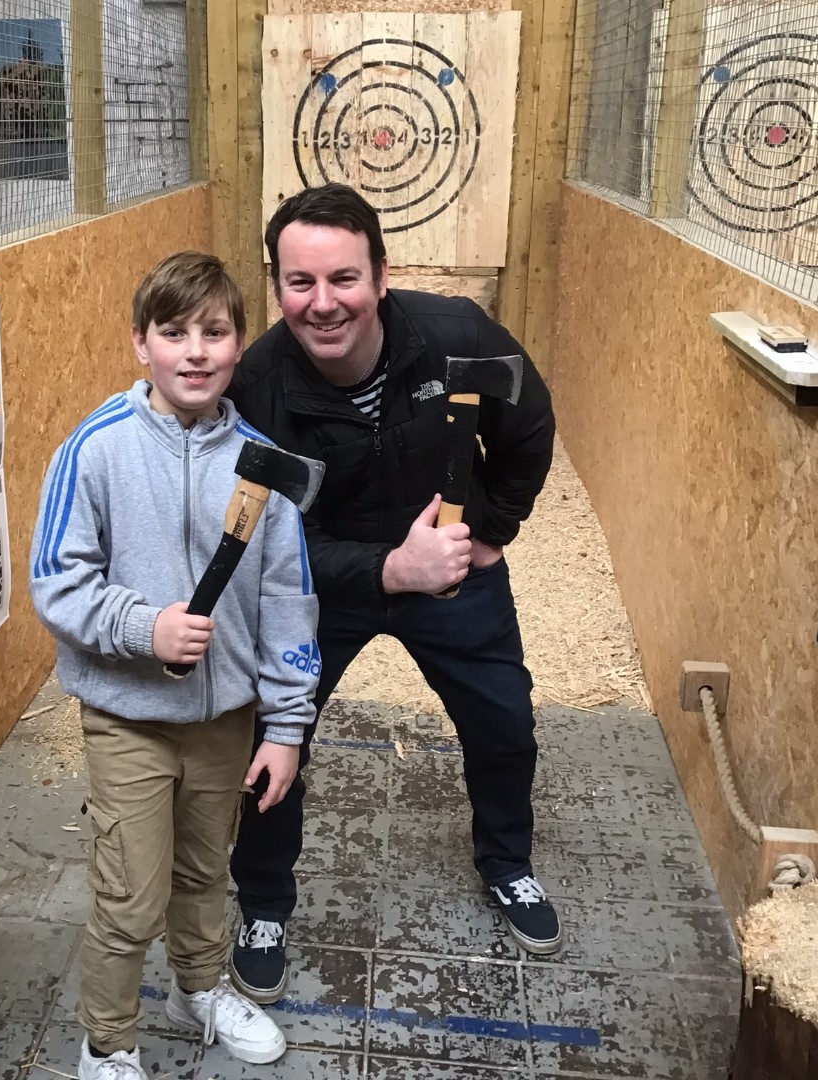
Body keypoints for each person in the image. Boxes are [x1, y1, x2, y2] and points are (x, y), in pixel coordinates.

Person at [226, 183, 561, 1004]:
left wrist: (494, 530)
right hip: (321, 588)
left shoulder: (455, 336)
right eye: (299, 283)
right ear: (276, 286)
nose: (323, 303)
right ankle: (264, 903)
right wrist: (384, 571)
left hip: (449, 572)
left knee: (505, 722)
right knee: (270, 741)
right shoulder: (256, 386)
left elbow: (531, 426)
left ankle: (507, 862)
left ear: (381, 275)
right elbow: (264, 540)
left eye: (343, 278)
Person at [30, 251, 319, 1080]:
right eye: (174, 333)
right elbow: (57, 581)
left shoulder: (261, 465)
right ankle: (108, 1044)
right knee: (129, 896)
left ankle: (201, 987)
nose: (195, 351)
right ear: (140, 344)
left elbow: (288, 603)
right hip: (127, 718)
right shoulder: (96, 450)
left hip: (225, 720)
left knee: (204, 873)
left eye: (215, 332)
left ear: (238, 345)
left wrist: (287, 725)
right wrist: (142, 626)